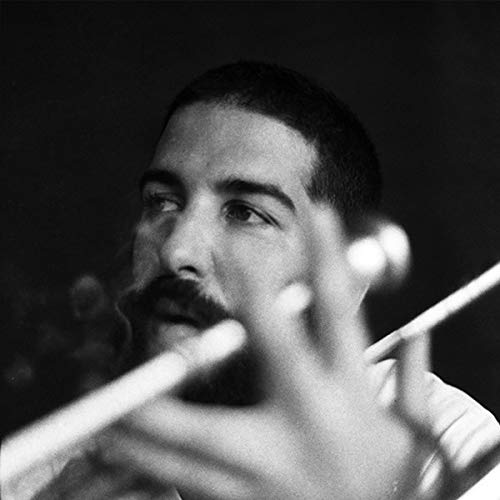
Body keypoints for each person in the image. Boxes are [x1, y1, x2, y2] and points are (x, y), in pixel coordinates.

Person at [4, 61, 500, 499]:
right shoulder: (47, 475)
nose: (177, 251)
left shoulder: (446, 441)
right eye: (162, 202)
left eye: (244, 212)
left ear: (346, 282)